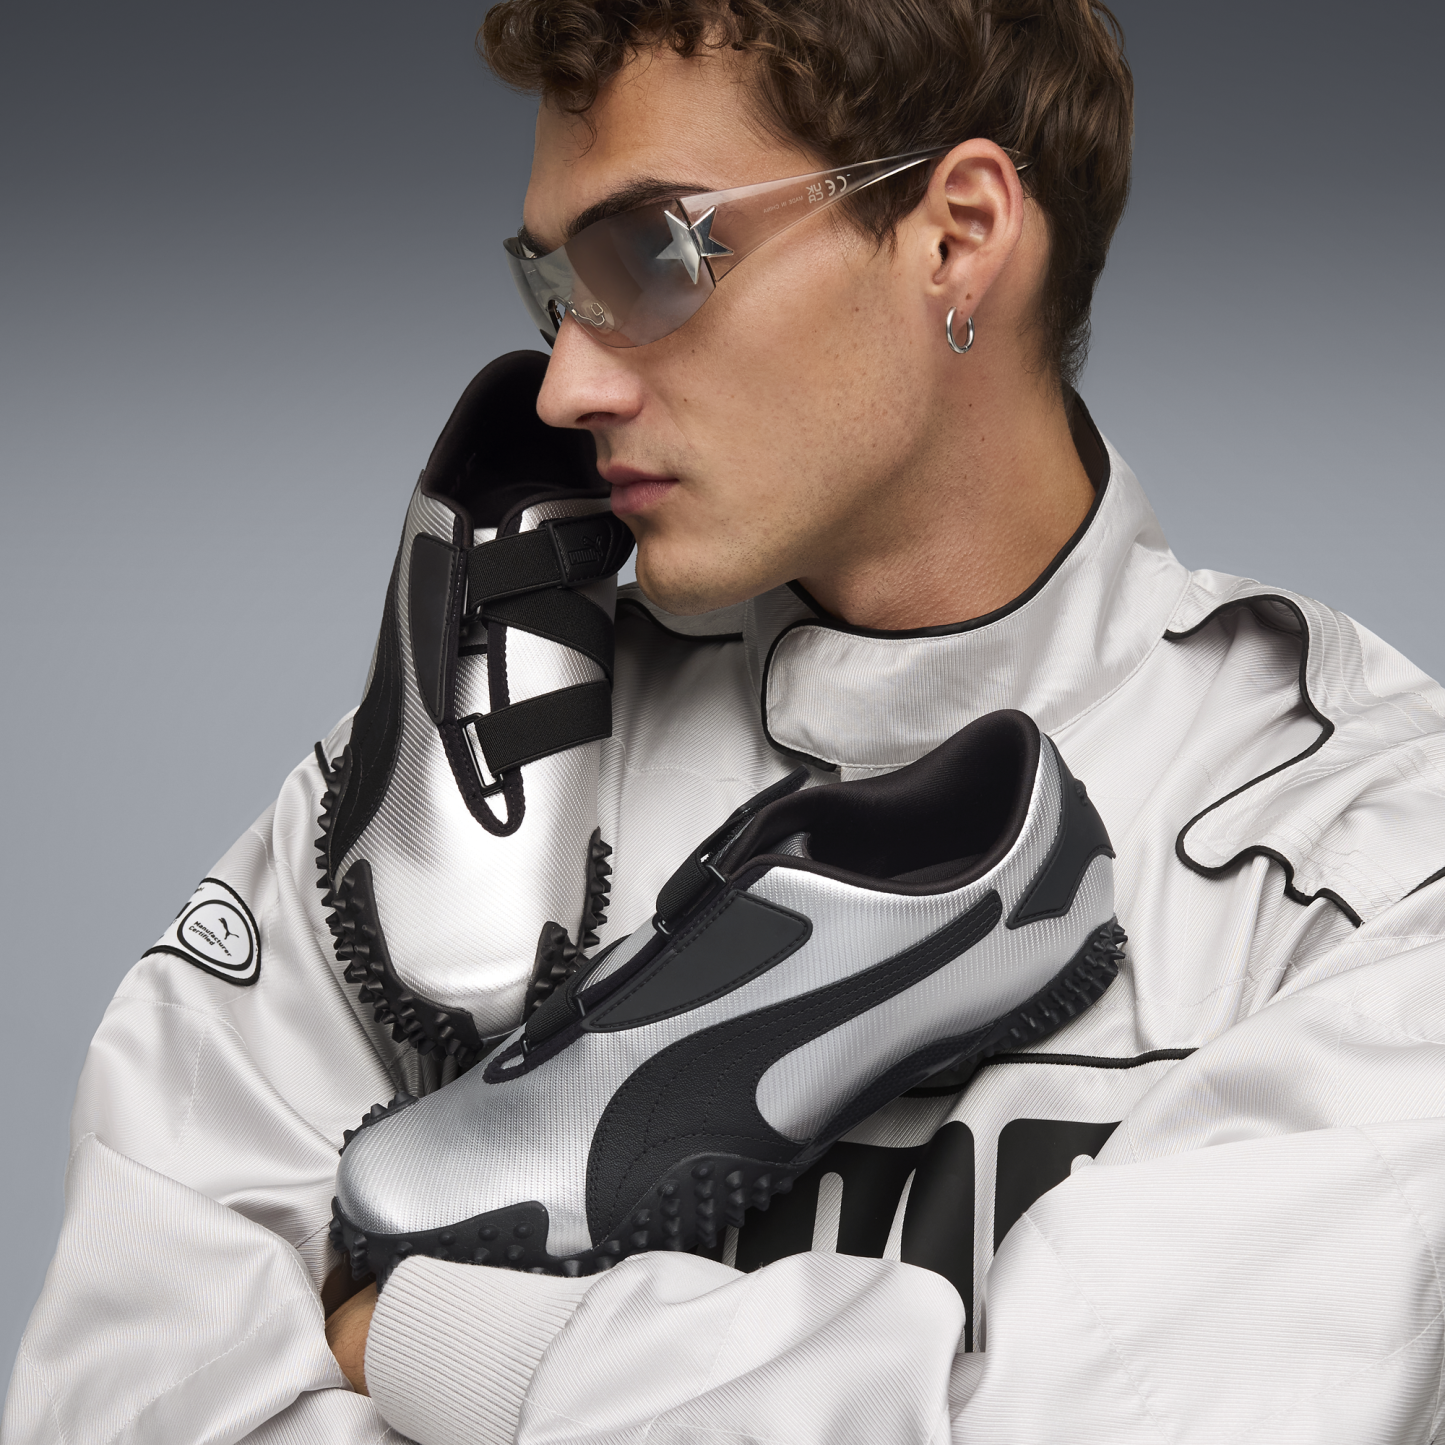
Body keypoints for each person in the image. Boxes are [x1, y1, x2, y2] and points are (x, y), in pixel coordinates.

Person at [8, 1, 1445, 1442]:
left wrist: (432, 1337)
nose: (568, 384)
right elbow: (128, 1399)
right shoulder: (427, 823)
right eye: (557, 287)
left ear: (957, 236)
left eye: (655, 256)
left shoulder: (1376, 862)